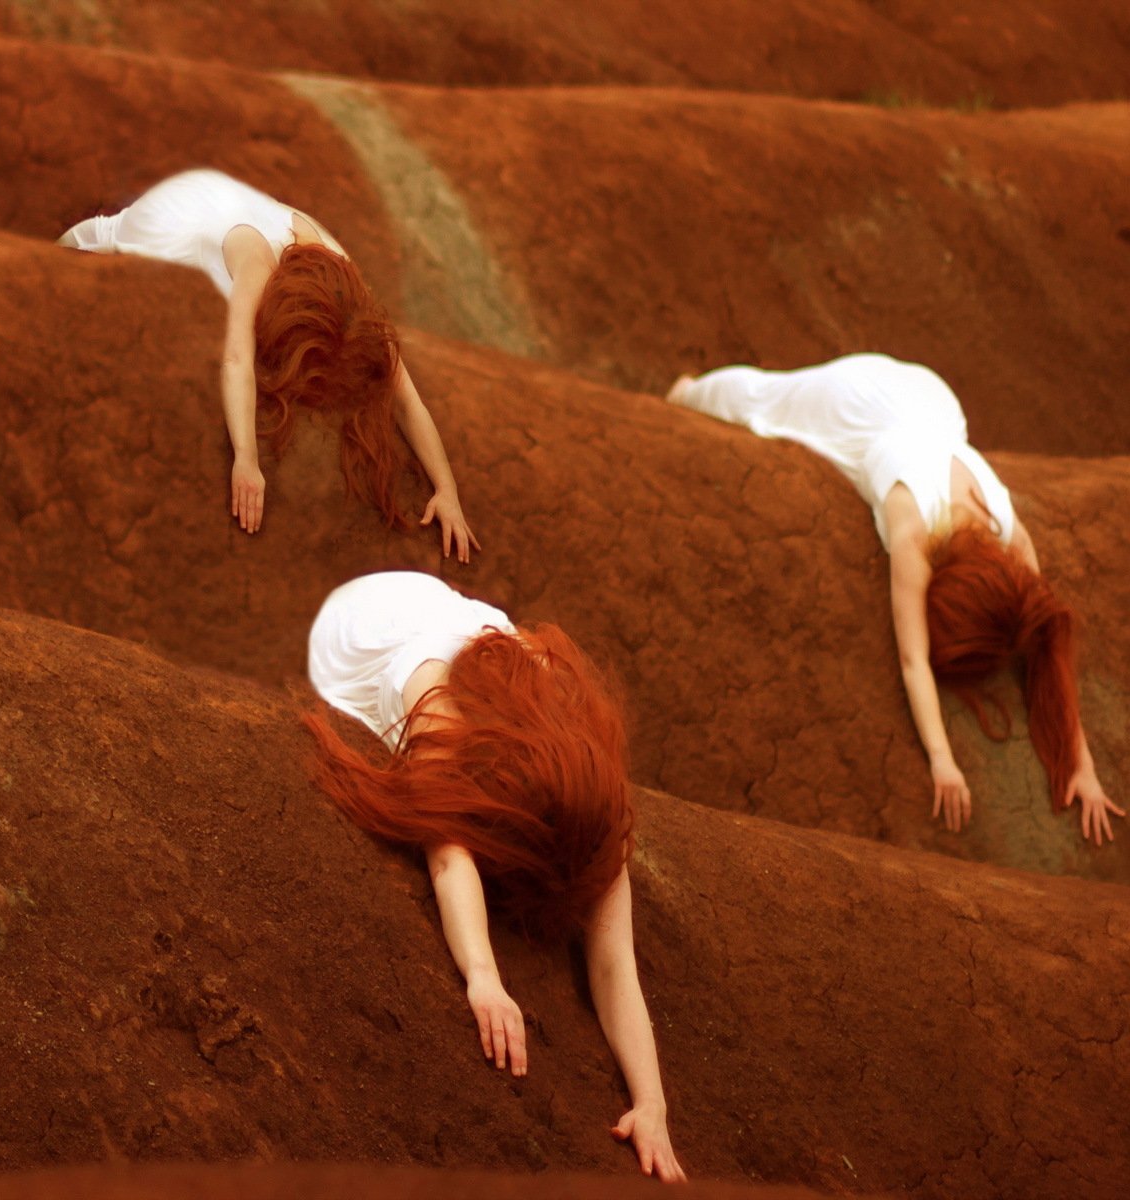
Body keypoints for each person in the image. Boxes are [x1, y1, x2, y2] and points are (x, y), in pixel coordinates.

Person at [305, 571, 684, 1182]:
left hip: (476, 631)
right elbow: (448, 847)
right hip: (379, 620)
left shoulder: (592, 797)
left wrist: (653, 1103)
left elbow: (615, 962)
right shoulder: (436, 700)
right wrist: (483, 974)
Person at [668, 353, 1124, 845]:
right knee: (757, 401)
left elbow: (1049, 643)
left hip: (934, 401)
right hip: (861, 405)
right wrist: (942, 759)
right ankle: (685, 387)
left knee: (762, 401)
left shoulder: (1013, 541)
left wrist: (1083, 765)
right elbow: (914, 659)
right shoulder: (913, 527)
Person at [61, 170, 478, 557]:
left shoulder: (340, 272)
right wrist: (246, 457)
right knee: (93, 240)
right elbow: (237, 356)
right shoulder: (254, 263)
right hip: (174, 213)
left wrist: (447, 488)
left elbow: (407, 400)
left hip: (224, 197)